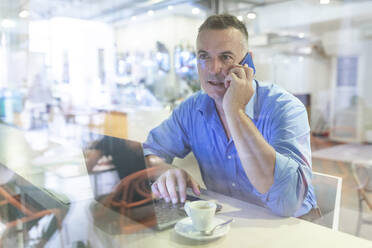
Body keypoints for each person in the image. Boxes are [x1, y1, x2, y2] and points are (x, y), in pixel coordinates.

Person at [143, 14, 317, 217]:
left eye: (225, 57)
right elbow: (148, 154)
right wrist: (165, 170)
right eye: (204, 56)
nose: (213, 69)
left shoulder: (285, 108)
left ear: (248, 63)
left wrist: (235, 111)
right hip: (227, 223)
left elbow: (287, 203)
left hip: (292, 226)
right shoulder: (192, 109)